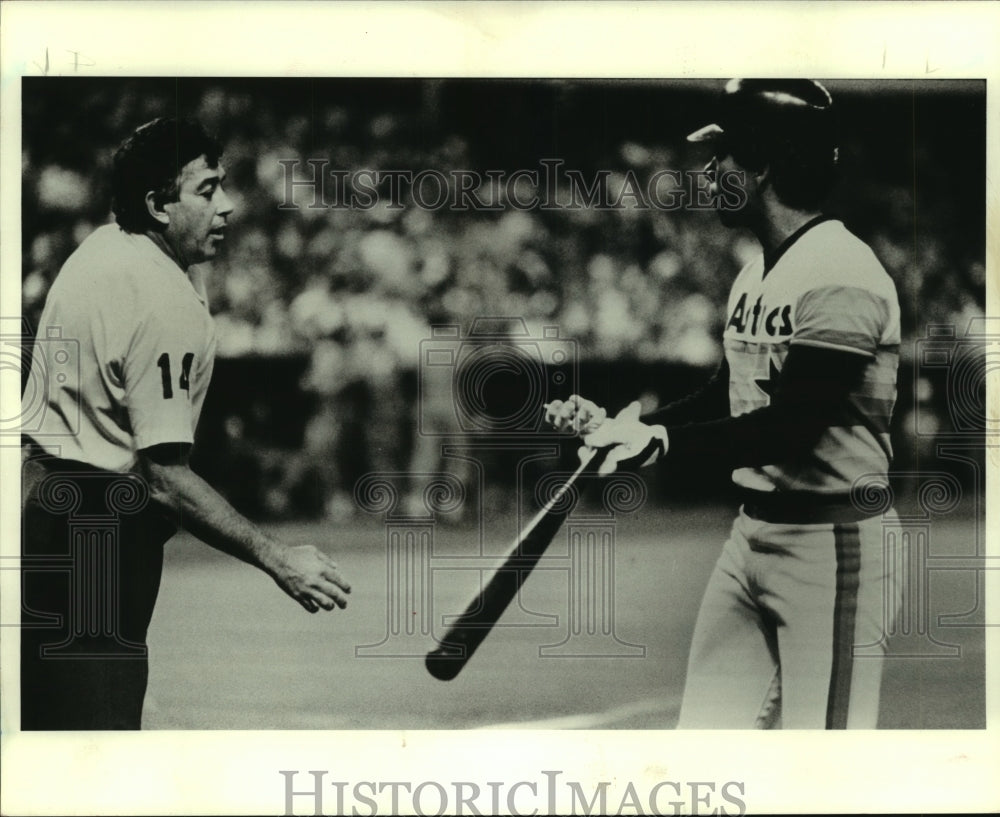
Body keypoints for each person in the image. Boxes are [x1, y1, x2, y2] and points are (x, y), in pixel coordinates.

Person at [546, 79, 902, 729]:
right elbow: (726, 396)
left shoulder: (843, 272)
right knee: (703, 752)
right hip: (752, 537)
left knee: (826, 769)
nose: (708, 174)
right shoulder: (756, 270)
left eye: (723, 157)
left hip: (833, 540)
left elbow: (794, 427)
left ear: (765, 163)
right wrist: (630, 427)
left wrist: (661, 444)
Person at [20, 118, 351, 730]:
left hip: (42, 513)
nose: (227, 206)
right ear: (157, 205)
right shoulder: (160, 297)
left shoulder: (101, 248)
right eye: (205, 191)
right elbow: (164, 476)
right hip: (98, 535)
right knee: (97, 754)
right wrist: (278, 558)